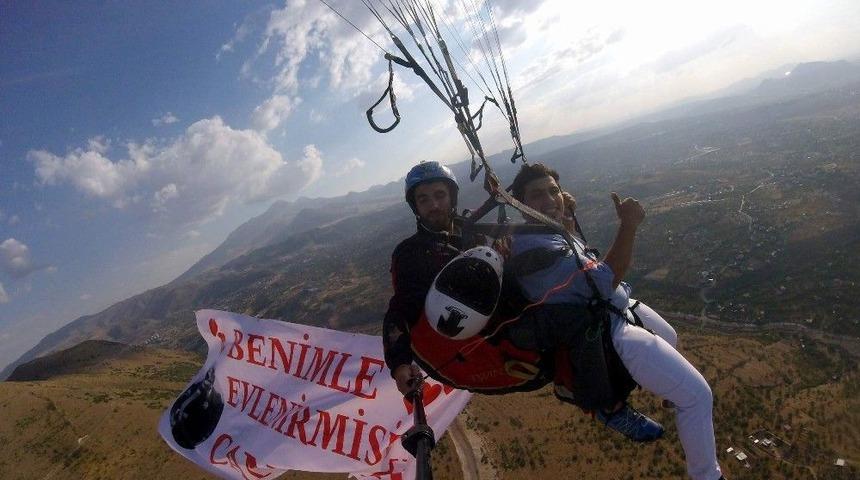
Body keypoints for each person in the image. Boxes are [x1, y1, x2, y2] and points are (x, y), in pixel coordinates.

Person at [381, 160, 666, 444]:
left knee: (573, 296)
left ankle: (613, 375)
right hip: (480, 345)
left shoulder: (468, 229)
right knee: (580, 315)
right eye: (424, 199)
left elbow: (513, 240)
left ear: (451, 197)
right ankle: (604, 405)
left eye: (440, 195)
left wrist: (559, 217)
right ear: (415, 206)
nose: (434, 205)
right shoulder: (412, 255)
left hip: (502, 316)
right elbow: (400, 308)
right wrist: (399, 363)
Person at [508, 162, 724, 480]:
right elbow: (604, 281)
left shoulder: (543, 232)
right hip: (605, 330)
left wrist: (564, 218)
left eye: (554, 191)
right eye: (538, 195)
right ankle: (706, 474)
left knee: (670, 336)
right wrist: (629, 225)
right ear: (521, 204)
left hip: (610, 309)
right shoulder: (534, 251)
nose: (550, 199)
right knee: (698, 397)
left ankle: (668, 394)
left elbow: (575, 267)